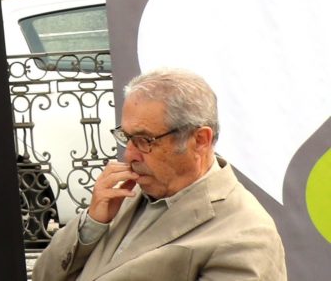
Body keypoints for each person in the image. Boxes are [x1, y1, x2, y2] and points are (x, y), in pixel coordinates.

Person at [33, 68, 286, 281]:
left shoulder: (244, 233)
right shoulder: (124, 197)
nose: (129, 155)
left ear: (200, 140)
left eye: (145, 140)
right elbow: (43, 275)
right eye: (126, 137)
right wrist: (92, 224)